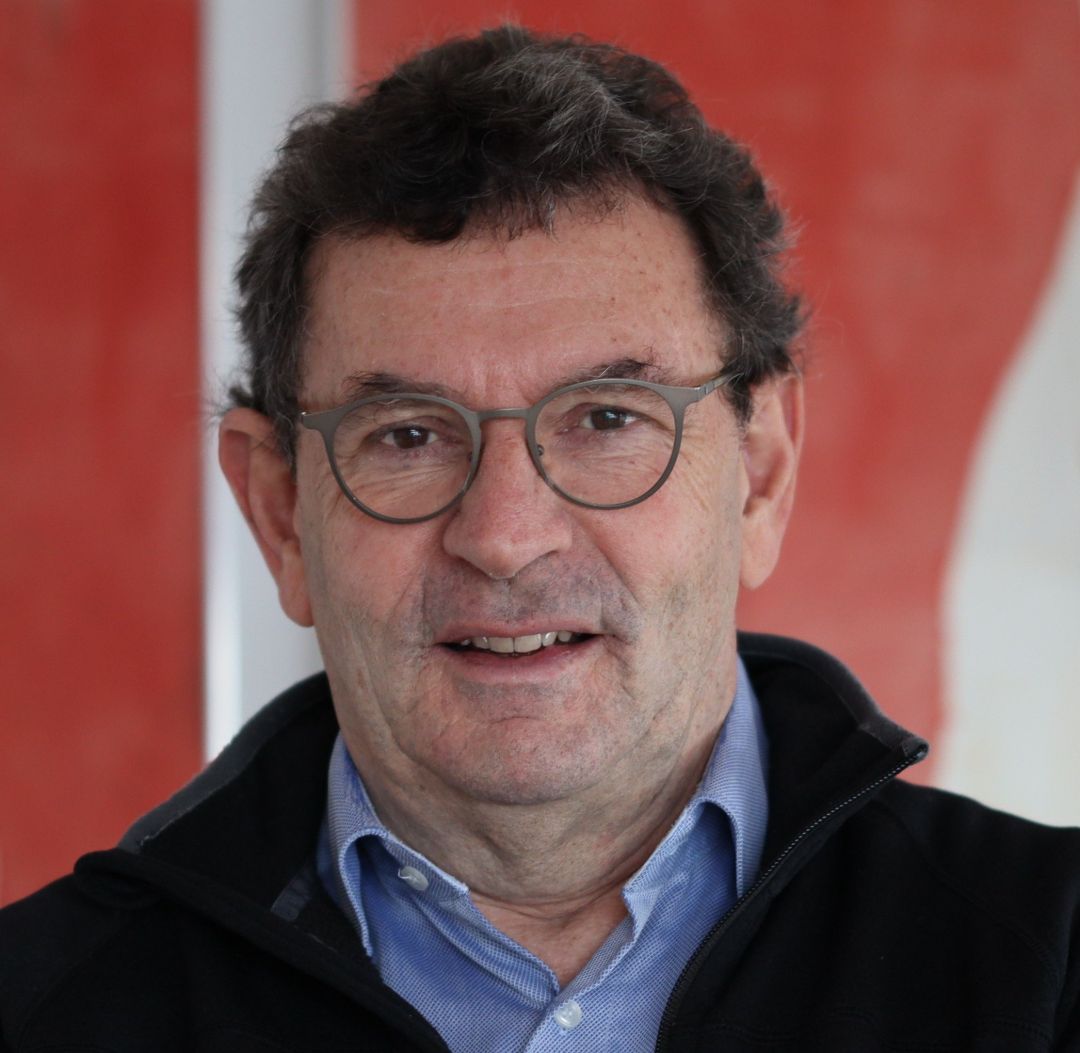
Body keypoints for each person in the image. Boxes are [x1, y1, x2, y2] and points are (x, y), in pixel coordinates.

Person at [3, 24, 1079, 1052]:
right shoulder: (38, 1007)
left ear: (760, 472)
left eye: (607, 418)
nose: (506, 536)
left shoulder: (1054, 963)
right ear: (281, 512)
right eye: (409, 434)